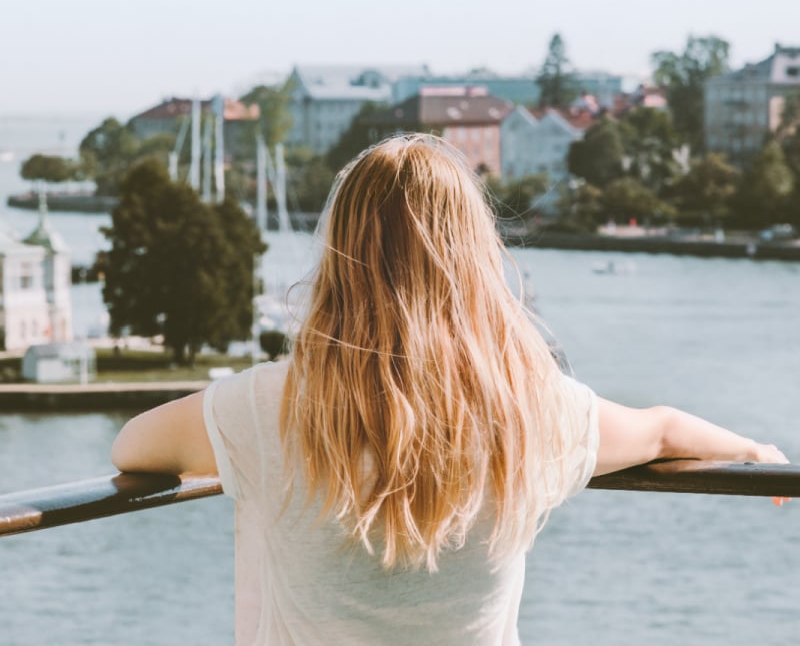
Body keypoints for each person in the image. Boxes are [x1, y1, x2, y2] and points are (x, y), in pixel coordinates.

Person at [112, 134, 786, 646]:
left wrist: (247, 465)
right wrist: (753, 450)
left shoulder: (267, 408)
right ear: (473, 256)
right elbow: (664, 430)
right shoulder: (532, 412)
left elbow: (131, 447)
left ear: (341, 254)